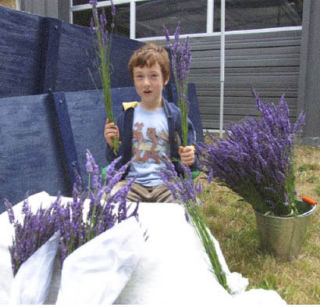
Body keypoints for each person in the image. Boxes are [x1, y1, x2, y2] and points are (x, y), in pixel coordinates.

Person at [104, 43, 199, 202]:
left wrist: (191, 158)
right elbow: (113, 159)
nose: (146, 83)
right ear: (134, 80)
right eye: (140, 76)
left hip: (167, 184)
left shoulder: (176, 117)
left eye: (153, 76)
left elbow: (193, 157)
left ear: (166, 78)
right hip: (131, 184)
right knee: (110, 201)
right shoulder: (127, 117)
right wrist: (111, 146)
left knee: (186, 204)